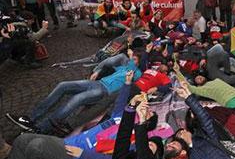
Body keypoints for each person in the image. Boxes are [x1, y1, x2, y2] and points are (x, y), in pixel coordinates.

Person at [0, 76, 133, 159]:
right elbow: (121, 101)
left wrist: (82, 154)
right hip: (65, 144)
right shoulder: (120, 117)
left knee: (36, 147)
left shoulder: (131, 141)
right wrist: (127, 83)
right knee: (22, 140)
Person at [7, 53, 141, 134]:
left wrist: (133, 59)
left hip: (103, 91)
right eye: (132, 58)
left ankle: (41, 128)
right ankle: (31, 118)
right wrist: (98, 71)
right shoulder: (123, 65)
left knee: (76, 99)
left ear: (139, 62)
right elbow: (112, 61)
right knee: (63, 85)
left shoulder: (137, 72)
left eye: (135, 59)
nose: (131, 59)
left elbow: (133, 72)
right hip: (96, 83)